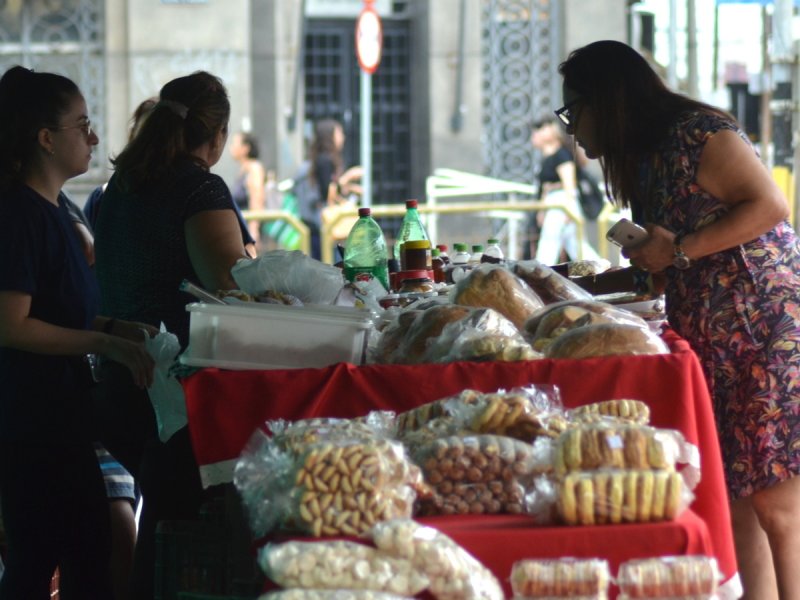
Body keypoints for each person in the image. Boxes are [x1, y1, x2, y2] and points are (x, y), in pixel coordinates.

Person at [558, 40, 800, 599]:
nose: (572, 127)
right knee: (736, 499)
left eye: (576, 110)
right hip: (713, 337)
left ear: (608, 101)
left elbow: (769, 206)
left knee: (778, 505)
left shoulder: (698, 133)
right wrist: (574, 287)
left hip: (765, 326)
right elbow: (665, 264)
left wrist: (683, 249)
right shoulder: (646, 157)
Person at [92, 70, 249, 599]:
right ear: (217, 135)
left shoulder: (122, 185)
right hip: (172, 389)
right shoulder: (198, 187)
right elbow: (231, 286)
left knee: (161, 515)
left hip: (118, 381)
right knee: (176, 522)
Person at [0, 66, 154, 599]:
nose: (93, 137)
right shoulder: (20, 216)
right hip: (31, 424)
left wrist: (116, 326)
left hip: (61, 416)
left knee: (83, 554)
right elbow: (13, 325)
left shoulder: (56, 213)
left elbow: (61, 309)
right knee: (45, 561)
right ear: (45, 139)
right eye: (81, 124)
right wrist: (103, 342)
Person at [530, 116, 601, 264]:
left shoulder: (561, 155)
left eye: (541, 128)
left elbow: (569, 184)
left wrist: (569, 208)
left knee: (549, 246)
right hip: (555, 205)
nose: (536, 134)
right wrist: (542, 210)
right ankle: (600, 272)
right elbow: (545, 188)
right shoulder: (548, 158)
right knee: (576, 247)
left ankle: (539, 276)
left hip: (561, 204)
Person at [299, 118, 362, 259]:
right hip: (323, 225)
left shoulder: (321, 159)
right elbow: (327, 192)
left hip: (320, 225)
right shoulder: (325, 160)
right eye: (339, 133)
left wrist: (349, 187)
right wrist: (348, 177)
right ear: (330, 136)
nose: (342, 137)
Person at [229, 131, 266, 248]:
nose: (231, 147)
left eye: (235, 143)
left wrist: (253, 231)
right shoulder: (244, 170)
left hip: (250, 232)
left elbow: (256, 198)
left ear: (245, 148)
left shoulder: (254, 168)